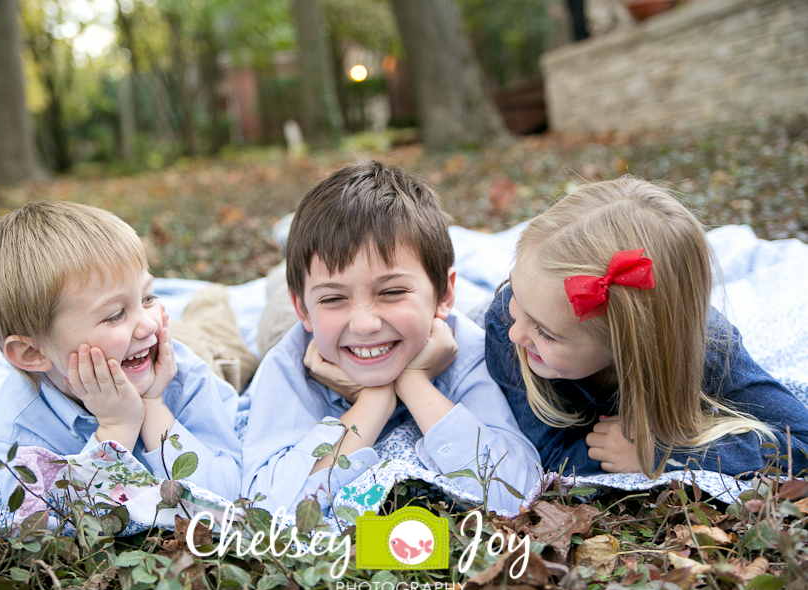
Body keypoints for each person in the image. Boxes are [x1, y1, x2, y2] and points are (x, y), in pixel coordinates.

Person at [241, 161, 541, 514]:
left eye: (392, 291)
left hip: (366, 324)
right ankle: (285, 251)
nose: (365, 324)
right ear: (304, 310)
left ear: (444, 296)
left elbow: (517, 490)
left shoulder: (469, 349)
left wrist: (414, 383)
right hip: (286, 321)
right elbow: (265, 507)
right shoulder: (287, 361)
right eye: (334, 298)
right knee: (272, 296)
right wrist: (375, 401)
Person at [485, 177, 808, 478]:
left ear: (630, 346)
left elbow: (801, 445)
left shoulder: (709, 348)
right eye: (518, 294)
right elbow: (548, 457)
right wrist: (601, 458)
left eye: (546, 333)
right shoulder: (504, 323)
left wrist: (663, 454)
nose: (518, 333)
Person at [0, 201, 243, 504]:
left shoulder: (184, 370)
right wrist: (117, 428)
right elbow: (54, 520)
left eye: (149, 296)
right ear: (32, 353)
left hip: (201, 349)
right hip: (135, 351)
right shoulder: (18, 431)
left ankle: (212, 297)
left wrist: (153, 404)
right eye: (114, 315)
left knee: (213, 322)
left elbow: (224, 494)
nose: (147, 324)